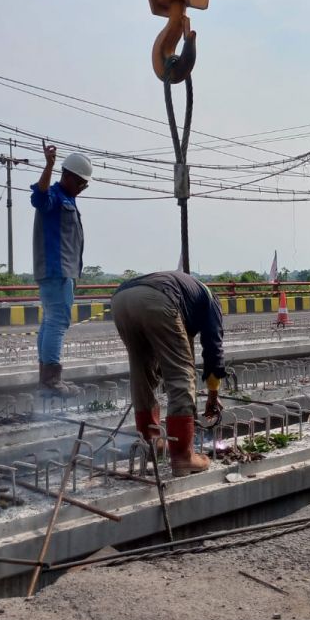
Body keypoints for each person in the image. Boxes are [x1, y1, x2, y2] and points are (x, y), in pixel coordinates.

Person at [109, 270, 226, 476]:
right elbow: (213, 351)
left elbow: (168, 351)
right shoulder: (212, 304)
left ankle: (152, 442)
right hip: (157, 298)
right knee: (181, 374)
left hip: (121, 299)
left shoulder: (189, 297)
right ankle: (183, 456)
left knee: (141, 372)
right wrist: (213, 396)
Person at [31, 142, 93, 397]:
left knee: (50, 320)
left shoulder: (67, 198)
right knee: (57, 321)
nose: (82, 189)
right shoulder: (54, 196)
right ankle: (51, 380)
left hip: (62, 271)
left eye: (84, 185)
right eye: (80, 183)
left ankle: (46, 376)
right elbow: (39, 197)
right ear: (67, 176)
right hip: (56, 270)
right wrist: (48, 166)